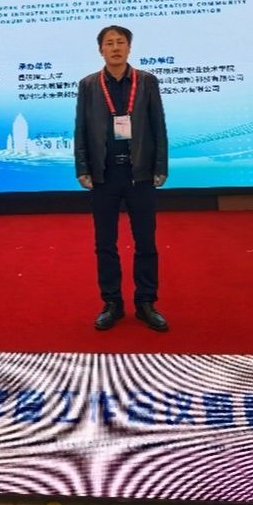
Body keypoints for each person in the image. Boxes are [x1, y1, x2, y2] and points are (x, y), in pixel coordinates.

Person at [74, 25, 169, 332]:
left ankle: (146, 302)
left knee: (146, 242)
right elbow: (80, 129)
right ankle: (112, 303)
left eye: (121, 42)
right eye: (109, 43)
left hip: (139, 173)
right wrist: (82, 168)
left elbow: (158, 126)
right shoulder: (89, 85)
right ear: (100, 50)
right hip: (104, 175)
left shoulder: (147, 82)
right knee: (105, 243)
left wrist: (160, 166)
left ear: (129, 47)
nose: (115, 48)